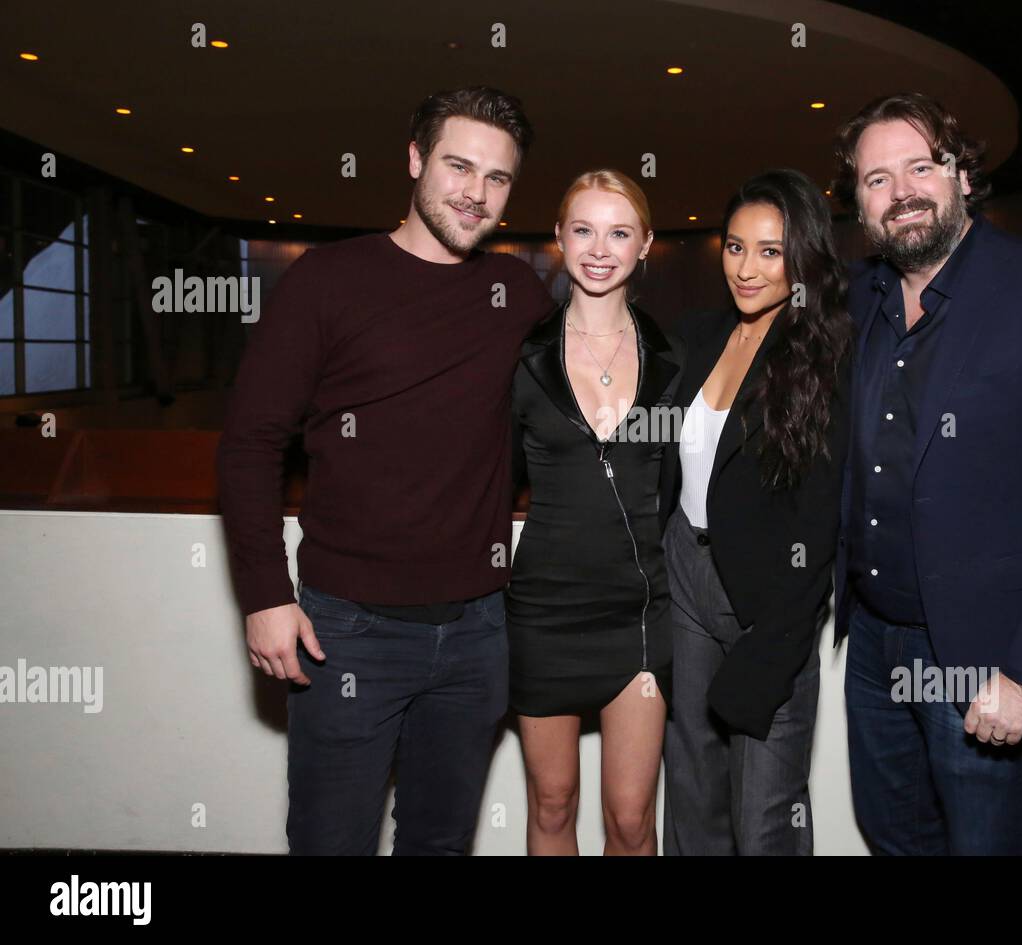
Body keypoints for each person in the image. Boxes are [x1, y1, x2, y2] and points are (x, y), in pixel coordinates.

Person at [216, 86, 553, 855]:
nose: (476, 193)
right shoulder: (326, 280)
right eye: (458, 166)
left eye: (497, 178)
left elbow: (599, 370)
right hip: (348, 630)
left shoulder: (518, 293)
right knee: (332, 841)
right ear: (414, 159)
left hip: (478, 630)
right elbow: (249, 442)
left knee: (439, 842)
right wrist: (265, 594)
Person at [831, 92, 1022, 855]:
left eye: (921, 166)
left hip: (985, 655)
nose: (900, 191)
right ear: (860, 203)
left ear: (963, 175)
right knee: (894, 837)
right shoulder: (859, 298)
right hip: (873, 643)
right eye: (875, 179)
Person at [658, 169, 853, 855]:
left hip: (769, 598)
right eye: (735, 246)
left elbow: (820, 521)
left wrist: (779, 636)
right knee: (690, 792)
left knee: (764, 812)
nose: (746, 267)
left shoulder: (826, 355)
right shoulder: (697, 333)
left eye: (770, 251)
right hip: (685, 570)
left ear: (803, 258)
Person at [508, 170, 683, 855]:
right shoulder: (521, 358)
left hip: (641, 615)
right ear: (558, 238)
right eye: (583, 229)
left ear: (645, 245)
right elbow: (487, 484)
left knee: (632, 819)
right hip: (544, 612)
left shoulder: (676, 360)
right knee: (552, 804)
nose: (599, 248)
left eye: (619, 232)